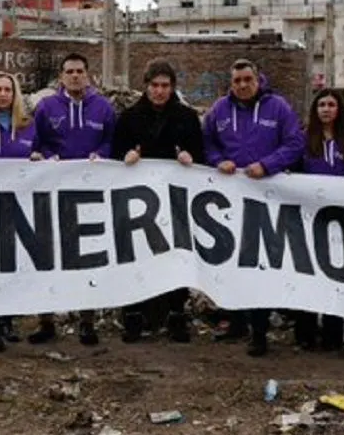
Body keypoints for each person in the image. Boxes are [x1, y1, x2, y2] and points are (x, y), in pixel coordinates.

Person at [202, 58, 306, 357]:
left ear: (258, 80)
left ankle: (259, 332)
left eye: (248, 79)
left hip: (267, 196)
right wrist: (217, 161)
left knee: (259, 262)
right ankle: (236, 322)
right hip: (231, 198)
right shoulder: (219, 110)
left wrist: (267, 165)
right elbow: (207, 143)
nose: (243, 85)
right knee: (232, 260)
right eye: (237, 81)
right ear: (231, 83)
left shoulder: (278, 107)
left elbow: (294, 143)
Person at [112, 59, 205, 344]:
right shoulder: (129, 117)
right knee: (136, 255)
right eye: (155, 85)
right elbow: (113, 157)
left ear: (173, 87)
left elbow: (202, 157)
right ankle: (133, 315)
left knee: (176, 256)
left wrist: (190, 158)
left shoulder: (187, 117)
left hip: (175, 201)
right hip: (138, 202)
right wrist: (125, 158)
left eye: (165, 86)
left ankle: (176, 314)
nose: (160, 91)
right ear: (146, 86)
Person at [29, 52, 117, 346]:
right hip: (53, 192)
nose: (75, 76)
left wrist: (100, 155)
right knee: (48, 254)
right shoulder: (46, 107)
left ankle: (87, 321)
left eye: (80, 71)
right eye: (70, 71)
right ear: (61, 76)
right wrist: (46, 156)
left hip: (90, 194)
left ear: (88, 75)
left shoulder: (103, 107)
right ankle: (46, 321)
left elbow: (111, 141)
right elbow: (37, 142)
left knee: (86, 256)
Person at [0, 71, 42, 352]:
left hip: (19, 207)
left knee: (14, 265)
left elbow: (43, 154)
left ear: (15, 95)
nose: (3, 94)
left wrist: (39, 159)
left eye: (8, 90)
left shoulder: (29, 126)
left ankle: (9, 320)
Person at [294, 88, 344, 352]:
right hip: (309, 218)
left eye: (331, 104)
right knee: (308, 274)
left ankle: (333, 333)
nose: (326, 109)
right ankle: (305, 332)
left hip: (340, 221)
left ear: (339, 109)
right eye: (321, 105)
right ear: (315, 109)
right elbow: (292, 172)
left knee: (336, 277)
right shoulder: (302, 139)